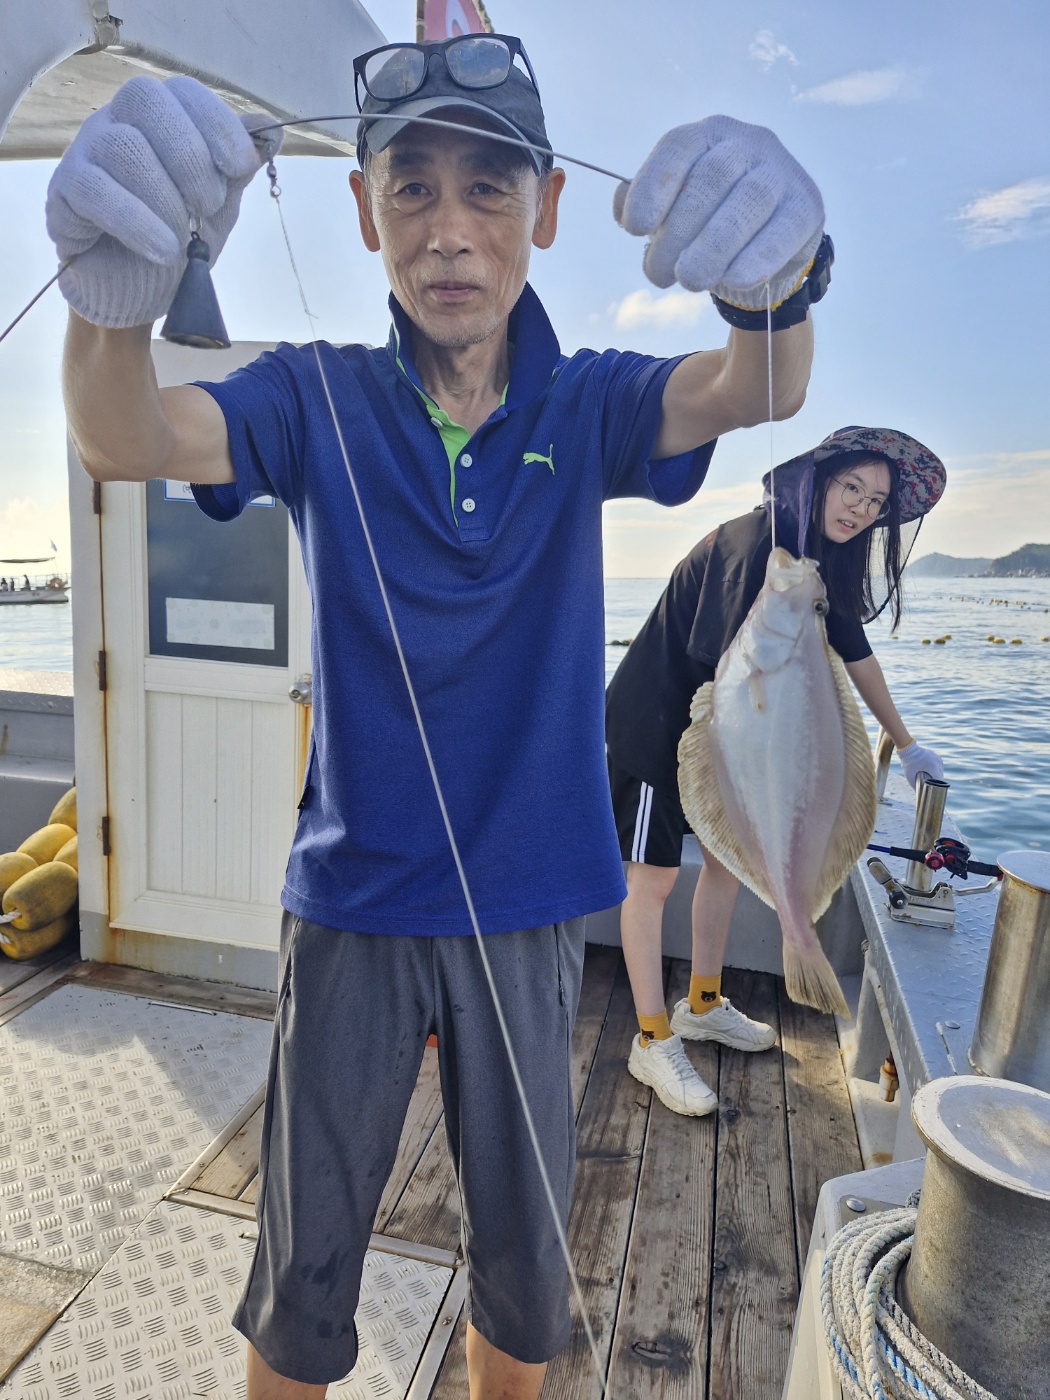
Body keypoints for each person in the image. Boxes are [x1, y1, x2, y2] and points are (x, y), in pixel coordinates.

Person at [49, 35, 829, 1400]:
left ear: (545, 208)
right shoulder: (310, 395)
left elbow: (756, 386)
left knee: (526, 1277)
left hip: (530, 904)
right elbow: (127, 438)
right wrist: (108, 304)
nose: (451, 230)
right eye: (412, 189)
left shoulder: (587, 401)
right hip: (350, 901)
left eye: (488, 185)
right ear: (362, 211)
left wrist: (782, 285)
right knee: (298, 1285)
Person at [605, 425, 947, 1116]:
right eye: (851, 487)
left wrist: (906, 743)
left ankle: (701, 1003)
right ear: (820, 481)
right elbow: (732, 667)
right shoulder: (755, 544)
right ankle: (651, 1039)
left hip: (726, 735)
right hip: (651, 720)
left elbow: (851, 651)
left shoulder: (821, 562)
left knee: (728, 865)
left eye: (876, 502)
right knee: (653, 878)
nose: (859, 508)